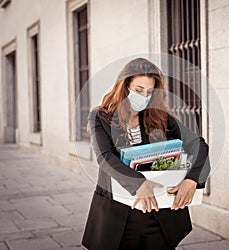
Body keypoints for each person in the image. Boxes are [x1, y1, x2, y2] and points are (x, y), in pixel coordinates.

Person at [81, 58, 210, 250]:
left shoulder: (161, 117)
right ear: (124, 87)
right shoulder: (100, 117)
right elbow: (105, 157)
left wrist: (192, 180)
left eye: (150, 92)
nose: (144, 96)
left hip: (159, 216)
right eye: (138, 90)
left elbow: (198, 144)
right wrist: (139, 183)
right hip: (118, 217)